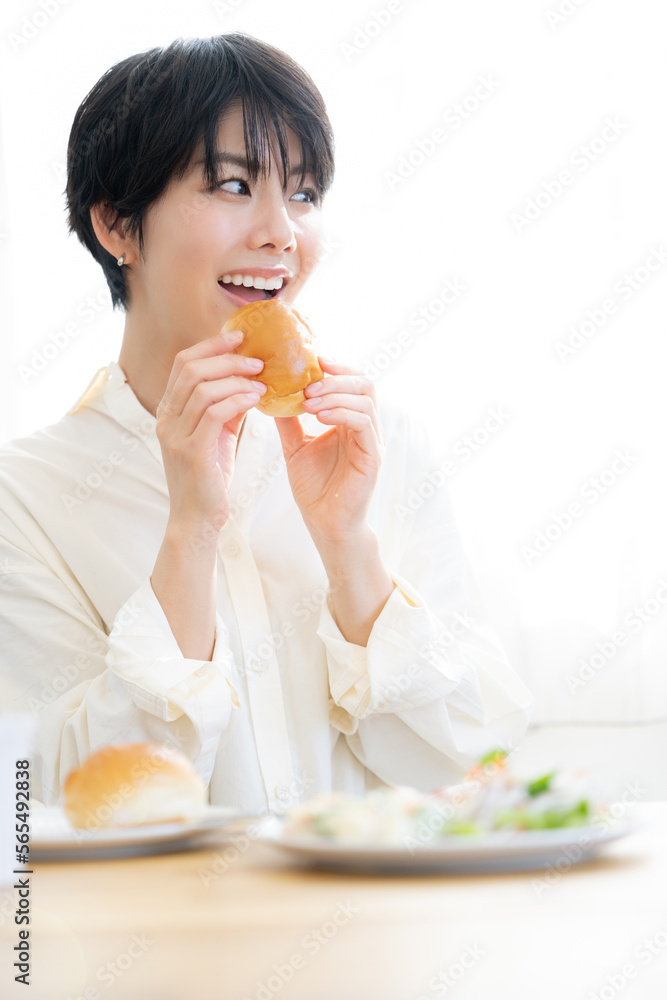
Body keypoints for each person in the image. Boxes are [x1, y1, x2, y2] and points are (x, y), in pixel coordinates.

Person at [0, 33, 532, 815]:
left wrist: (349, 549)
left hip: (366, 898)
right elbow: (50, 803)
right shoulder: (26, 496)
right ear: (116, 225)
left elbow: (464, 759)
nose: (282, 231)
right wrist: (190, 533)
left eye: (304, 192)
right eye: (232, 184)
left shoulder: (375, 444)